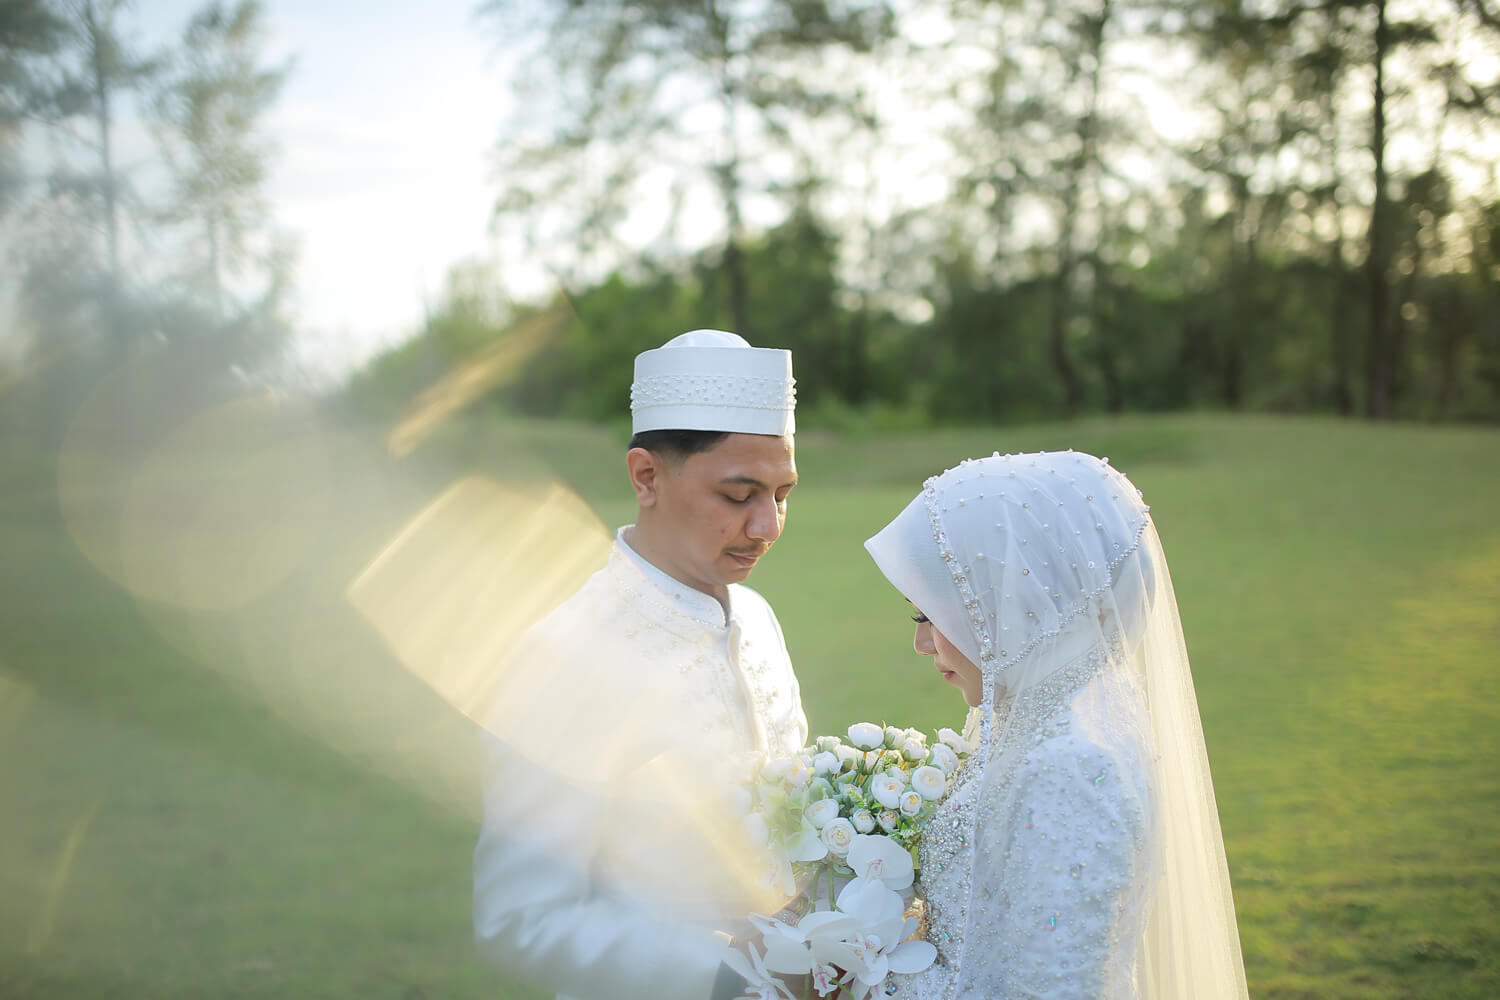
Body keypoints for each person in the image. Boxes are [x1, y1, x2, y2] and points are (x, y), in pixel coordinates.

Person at [472, 330, 809, 1000]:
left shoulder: (757, 617)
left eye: (782, 493)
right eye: (738, 495)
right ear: (646, 476)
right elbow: (520, 919)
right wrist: (721, 972)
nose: (767, 526)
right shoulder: (564, 656)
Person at [863, 450, 1248, 999]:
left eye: (930, 614)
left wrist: (853, 976)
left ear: (1014, 604)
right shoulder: (1033, 721)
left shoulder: (1070, 767)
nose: (921, 643)